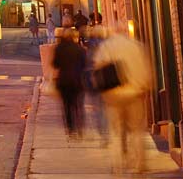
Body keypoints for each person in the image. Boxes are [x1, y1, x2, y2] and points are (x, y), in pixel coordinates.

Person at [89, 26, 155, 173]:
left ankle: (117, 164)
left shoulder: (106, 47)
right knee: (136, 130)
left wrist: (101, 91)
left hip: (113, 95)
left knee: (116, 131)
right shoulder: (136, 46)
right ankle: (139, 165)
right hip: (134, 93)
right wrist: (145, 86)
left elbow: (97, 69)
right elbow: (145, 69)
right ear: (125, 32)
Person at [50, 23, 87, 139]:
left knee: (66, 106)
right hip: (77, 80)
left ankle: (71, 129)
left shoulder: (59, 48)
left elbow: (55, 64)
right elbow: (85, 64)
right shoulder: (79, 49)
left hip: (64, 81)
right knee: (78, 105)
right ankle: (80, 126)